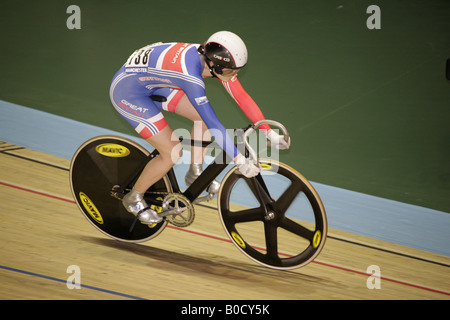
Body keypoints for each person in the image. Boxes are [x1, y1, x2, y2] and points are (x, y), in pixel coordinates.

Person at [109, 31, 290, 225]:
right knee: (172, 152)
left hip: (153, 82)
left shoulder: (208, 57)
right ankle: (134, 198)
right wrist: (240, 160)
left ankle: (194, 172)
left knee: (200, 119)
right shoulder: (190, 75)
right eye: (229, 71)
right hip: (128, 92)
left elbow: (242, 98)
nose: (233, 75)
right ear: (214, 65)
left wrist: (268, 132)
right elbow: (214, 123)